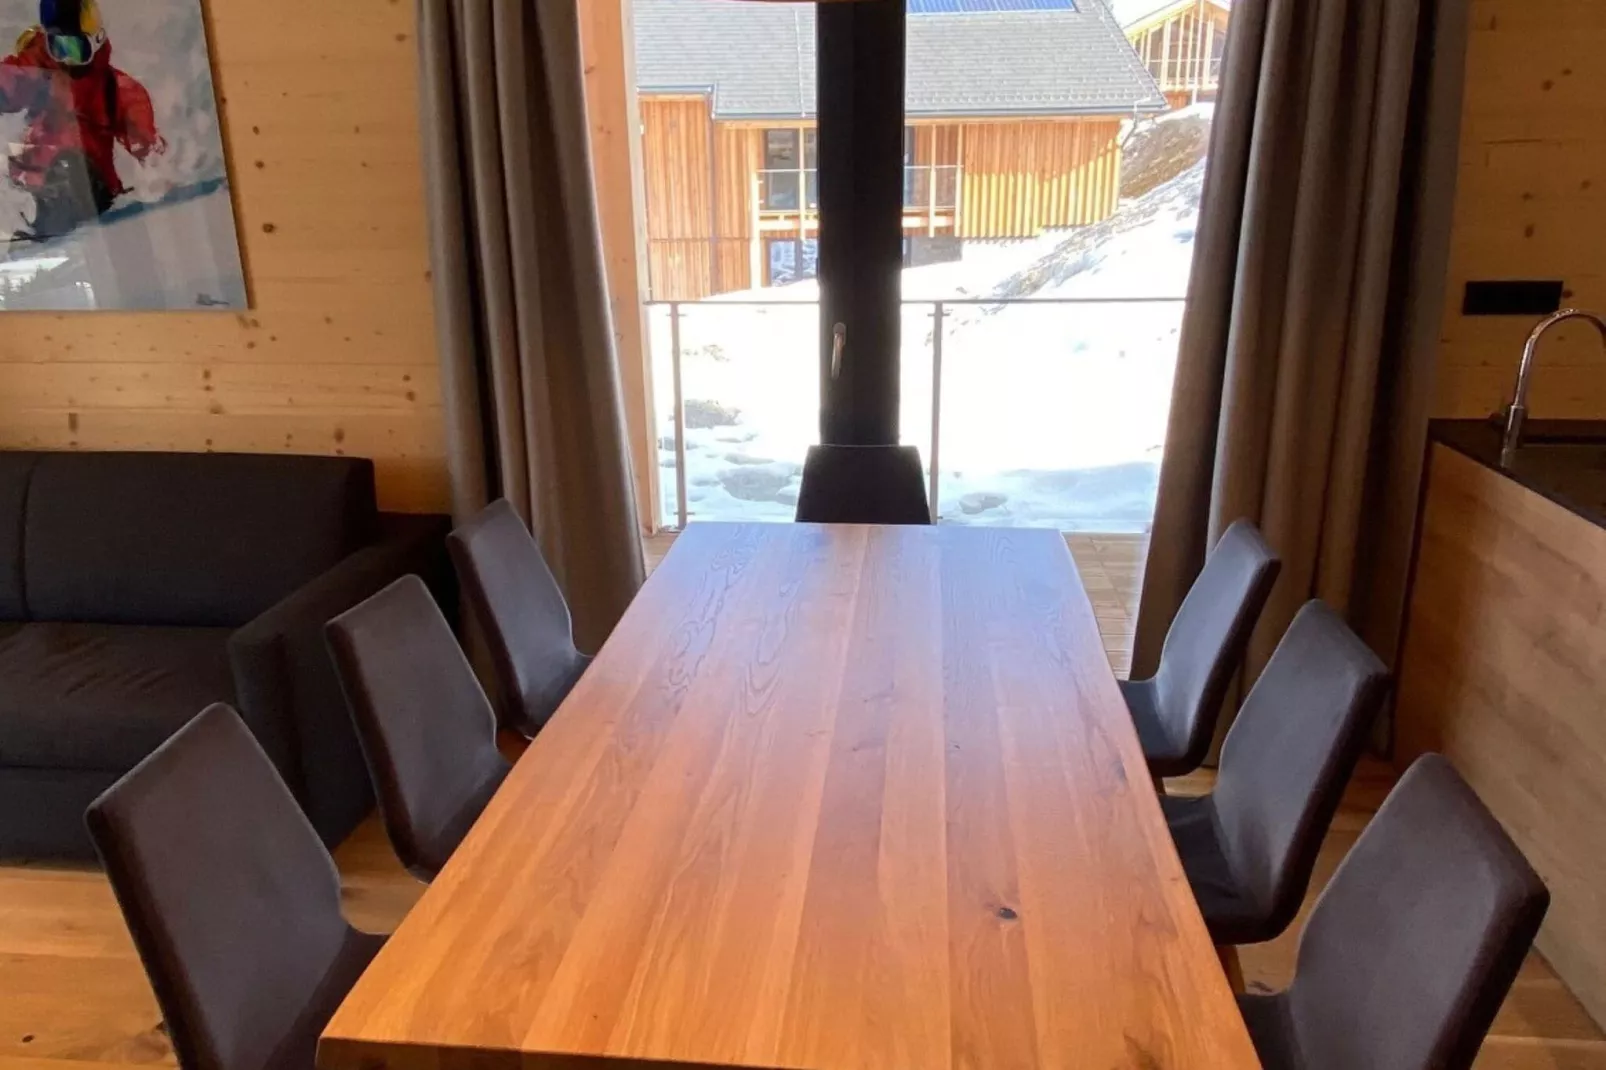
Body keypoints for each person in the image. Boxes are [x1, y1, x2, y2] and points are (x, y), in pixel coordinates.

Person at [0, 0, 165, 239]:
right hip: (33, 178)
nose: (67, 58)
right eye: (59, 48)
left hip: (89, 182)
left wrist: (156, 172)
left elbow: (148, 146)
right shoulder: (41, 70)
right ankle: (23, 210)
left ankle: (44, 213)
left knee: (70, 166)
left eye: (75, 49)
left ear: (96, 42)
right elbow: (14, 81)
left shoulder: (115, 89)